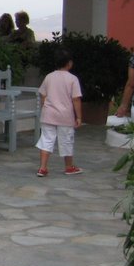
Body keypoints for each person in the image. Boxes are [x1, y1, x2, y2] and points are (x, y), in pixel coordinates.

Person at [35, 47, 83, 177]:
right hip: (65, 116)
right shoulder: (72, 79)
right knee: (66, 140)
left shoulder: (49, 77)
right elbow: (76, 99)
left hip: (48, 114)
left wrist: (47, 106)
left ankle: (43, 167)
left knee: (46, 139)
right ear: (69, 63)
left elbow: (43, 95)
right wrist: (78, 117)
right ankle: (69, 166)